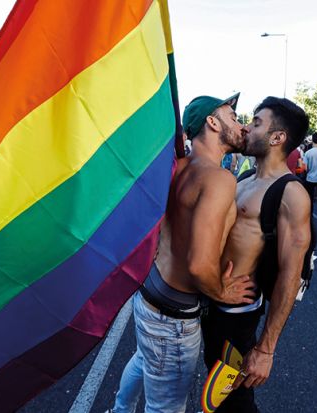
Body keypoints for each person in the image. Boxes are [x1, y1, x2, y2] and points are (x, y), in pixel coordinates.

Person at [112, 93, 256, 413]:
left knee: (144, 360)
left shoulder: (177, 167)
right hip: (173, 315)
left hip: (151, 290)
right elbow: (198, 264)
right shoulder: (219, 180)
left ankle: (120, 410)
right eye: (232, 116)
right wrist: (222, 292)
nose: (241, 125)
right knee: (166, 406)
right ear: (212, 122)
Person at [202, 97, 311, 413]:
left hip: (237, 318)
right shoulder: (245, 179)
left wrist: (266, 349)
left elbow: (291, 274)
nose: (247, 127)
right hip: (212, 303)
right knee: (216, 388)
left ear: (278, 138)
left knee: (234, 398)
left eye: (257, 122)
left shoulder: (291, 193)